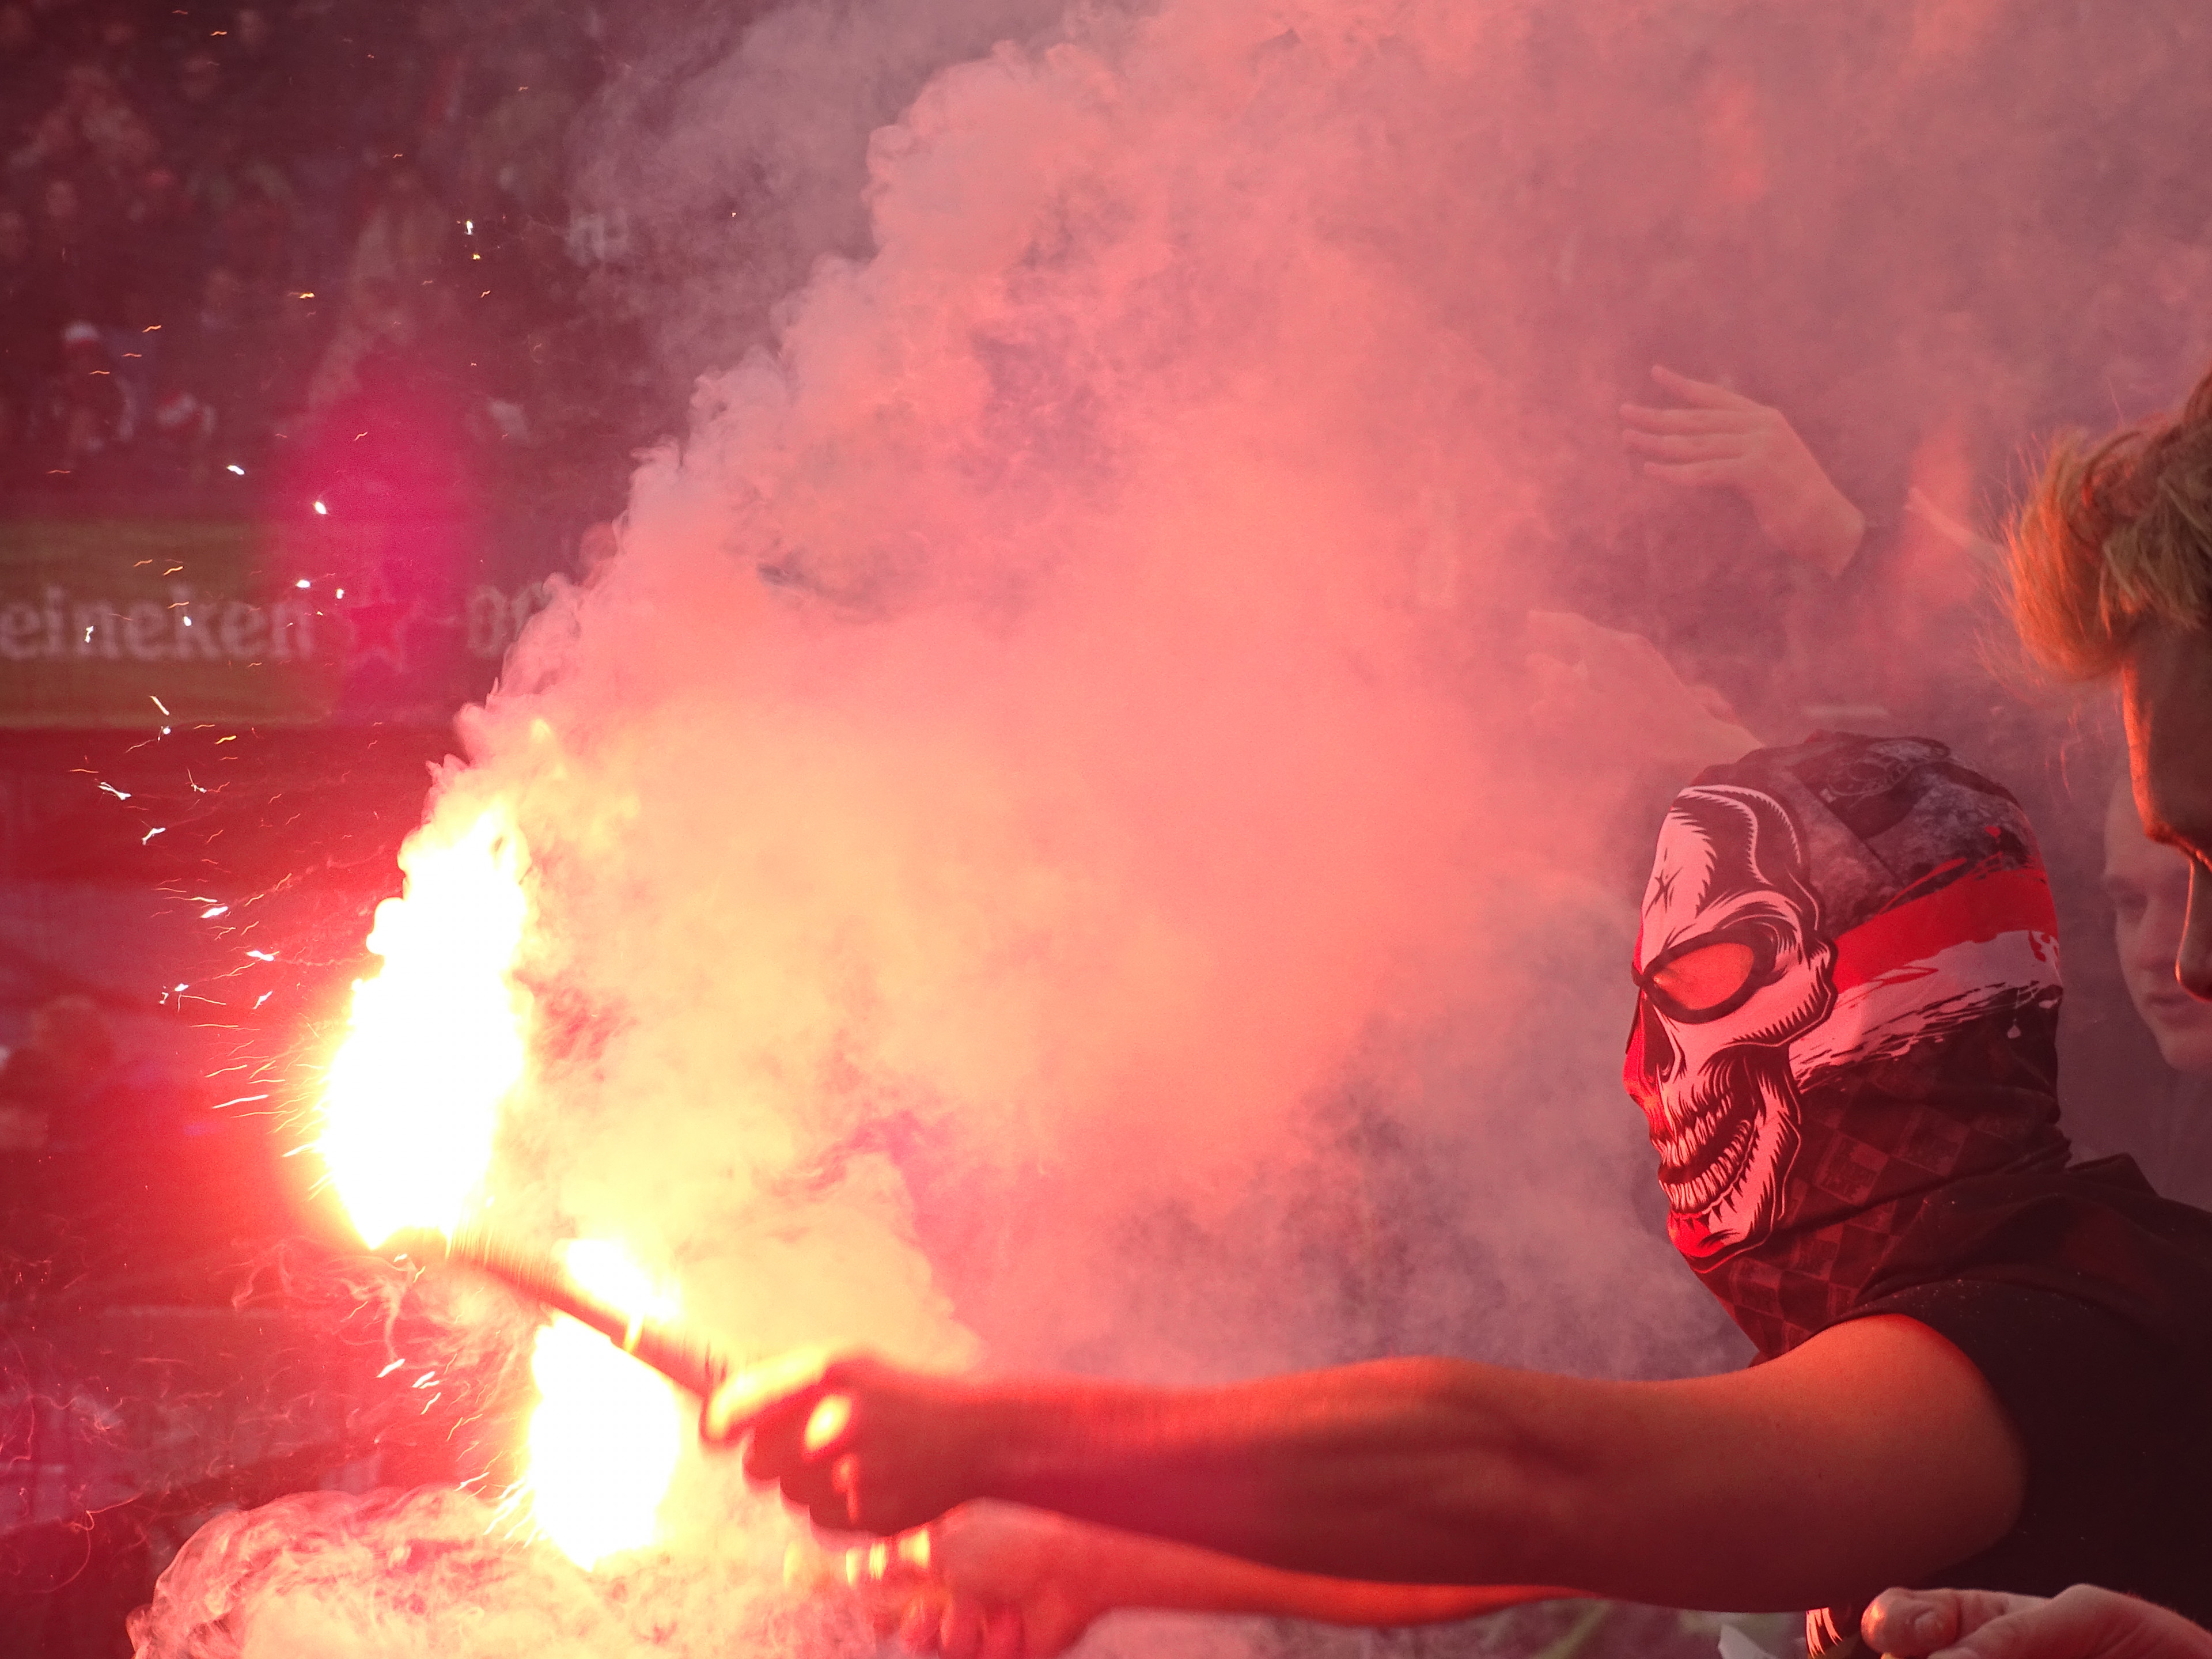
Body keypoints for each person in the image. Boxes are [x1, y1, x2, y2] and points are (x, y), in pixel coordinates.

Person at [709, 733, 2212, 1655]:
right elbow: (1527, 1536)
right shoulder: (2001, 1294)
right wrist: (1093, 1550)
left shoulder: (2075, 1318)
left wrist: (995, 1435)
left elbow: (1537, 1481)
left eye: (1697, 986)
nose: (1649, 1066)